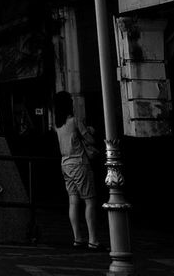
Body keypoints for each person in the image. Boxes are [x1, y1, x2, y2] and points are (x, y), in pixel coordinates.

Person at [53, 91, 103, 251]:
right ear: (68, 104)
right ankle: (93, 240)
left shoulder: (57, 125)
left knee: (73, 201)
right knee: (89, 202)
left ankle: (77, 238)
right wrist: (91, 131)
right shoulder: (75, 121)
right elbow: (90, 140)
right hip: (79, 163)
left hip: (65, 164)